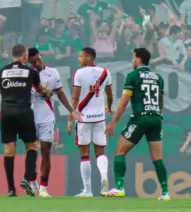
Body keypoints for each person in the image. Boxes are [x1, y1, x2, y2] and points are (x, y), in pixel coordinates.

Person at [104, 47, 169, 200]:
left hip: (140, 117)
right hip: (156, 118)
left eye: (133, 58)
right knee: (157, 158)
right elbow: (161, 101)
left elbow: (124, 100)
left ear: (139, 59)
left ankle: (119, 187)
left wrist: (113, 122)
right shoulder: (158, 77)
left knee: (119, 150)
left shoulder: (133, 76)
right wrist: (158, 115)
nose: (132, 60)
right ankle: (165, 192)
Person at [0, 44, 52, 197]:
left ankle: (11, 189)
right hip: (24, 111)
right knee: (32, 145)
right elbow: (41, 91)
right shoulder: (31, 72)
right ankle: (27, 177)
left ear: (12, 56)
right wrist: (46, 91)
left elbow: (1, 92)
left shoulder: (3, 71)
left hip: (6, 111)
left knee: (9, 150)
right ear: (25, 56)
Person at [27, 47, 74, 198]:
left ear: (41, 56)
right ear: (29, 62)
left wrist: (71, 110)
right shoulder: (27, 75)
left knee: (46, 151)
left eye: (39, 59)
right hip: (30, 117)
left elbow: (60, 93)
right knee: (31, 151)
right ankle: (32, 184)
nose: (37, 63)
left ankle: (43, 188)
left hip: (47, 117)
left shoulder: (53, 73)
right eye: (33, 62)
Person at [68, 46, 114, 197]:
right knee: (100, 151)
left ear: (89, 58)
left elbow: (75, 98)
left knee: (84, 154)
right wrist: (109, 107)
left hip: (83, 118)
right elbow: (110, 95)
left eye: (81, 56)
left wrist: (70, 117)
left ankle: (87, 190)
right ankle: (104, 177)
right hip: (99, 118)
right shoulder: (105, 73)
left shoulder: (79, 73)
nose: (79, 58)